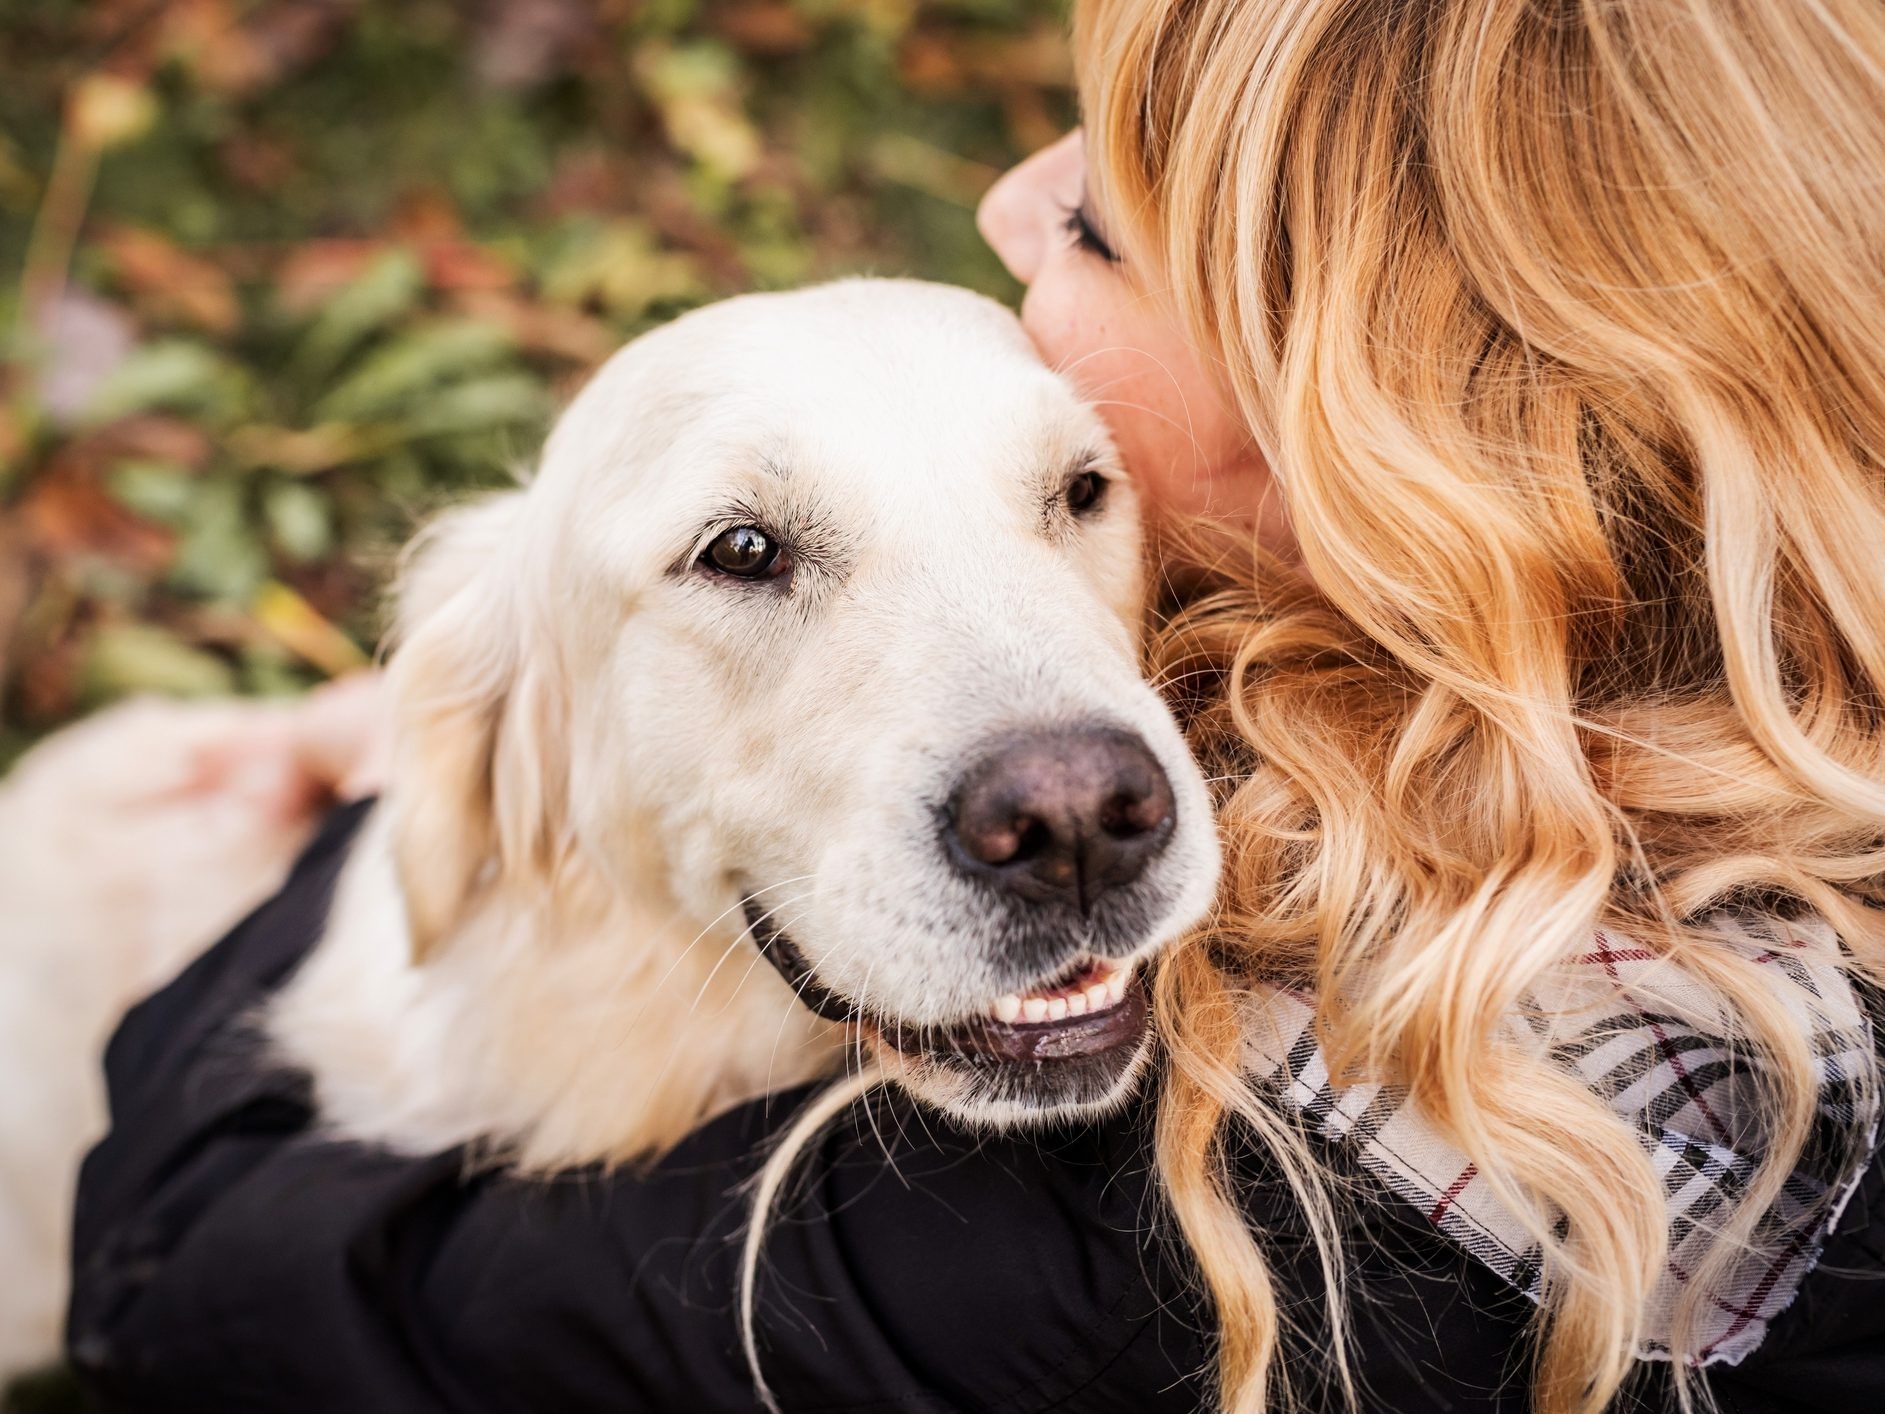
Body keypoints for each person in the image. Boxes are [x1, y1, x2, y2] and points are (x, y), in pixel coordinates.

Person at [67, 2, 1885, 1411]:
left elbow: (180, 1295)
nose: (1006, 201)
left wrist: (372, 817)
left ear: (1367, 410)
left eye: (1095, 226)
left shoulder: (1248, 1204)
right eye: (748, 553)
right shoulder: (1622, 666)